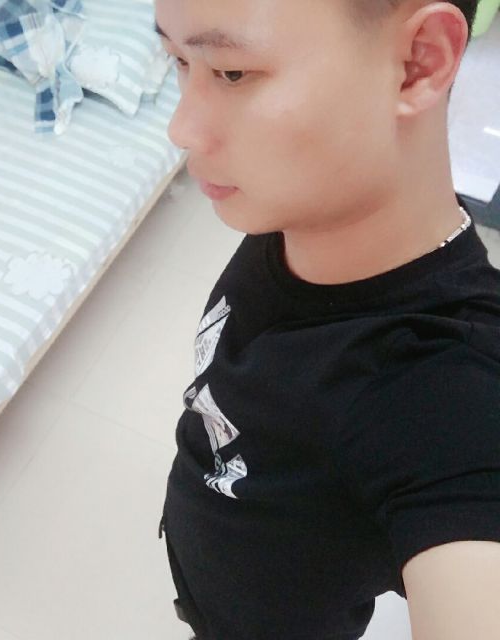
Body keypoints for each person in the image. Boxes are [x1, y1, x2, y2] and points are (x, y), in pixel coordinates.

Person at [154, 1, 500, 639]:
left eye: (231, 72)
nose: (183, 128)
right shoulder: (300, 204)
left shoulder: (443, 388)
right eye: (177, 59)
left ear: (417, 62)